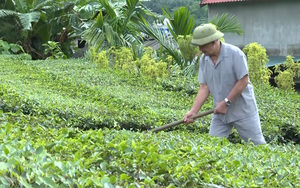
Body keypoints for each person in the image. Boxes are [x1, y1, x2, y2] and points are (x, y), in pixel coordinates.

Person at [183, 24, 266, 145]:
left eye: (203, 45)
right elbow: (204, 87)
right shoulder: (204, 60)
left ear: (213, 42)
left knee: (258, 146)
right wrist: (193, 111)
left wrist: (226, 102)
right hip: (220, 114)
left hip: (243, 111)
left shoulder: (235, 54)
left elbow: (243, 80)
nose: (200, 49)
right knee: (211, 148)